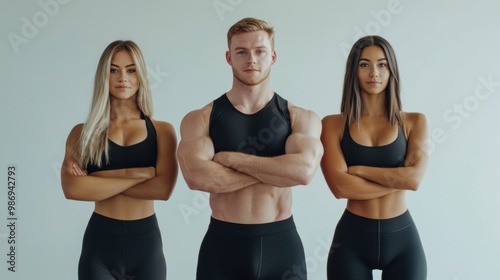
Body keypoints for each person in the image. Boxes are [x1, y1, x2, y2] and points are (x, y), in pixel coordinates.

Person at [177, 17, 323, 280]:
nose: (251, 59)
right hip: (222, 248)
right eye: (241, 52)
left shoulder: (300, 118)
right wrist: (277, 169)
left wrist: (231, 159)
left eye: (260, 51)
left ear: (273, 56)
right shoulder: (201, 119)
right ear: (228, 57)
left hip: (281, 248)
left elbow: (303, 172)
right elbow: (196, 177)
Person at [60, 40, 178, 280]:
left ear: (141, 75)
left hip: (146, 246)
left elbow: (163, 189)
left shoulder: (163, 131)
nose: (122, 77)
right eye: (114, 70)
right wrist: (138, 174)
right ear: (104, 75)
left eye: (131, 70)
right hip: (100, 245)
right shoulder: (82, 133)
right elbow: (73, 188)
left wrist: (97, 180)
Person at [320, 35, 429, 279]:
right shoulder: (332, 125)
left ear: (391, 70)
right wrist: (398, 178)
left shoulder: (414, 122)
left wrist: (360, 171)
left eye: (382, 64)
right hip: (351, 242)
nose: (374, 73)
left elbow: (414, 180)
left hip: (403, 241)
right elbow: (339, 187)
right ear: (354, 71)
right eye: (364, 64)